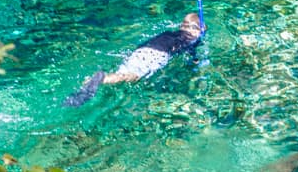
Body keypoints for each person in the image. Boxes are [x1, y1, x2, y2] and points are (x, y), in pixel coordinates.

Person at [63, 12, 206, 107]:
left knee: (126, 70)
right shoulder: (190, 39)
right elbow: (194, 59)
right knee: (132, 76)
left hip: (142, 50)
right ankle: (103, 79)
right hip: (157, 56)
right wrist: (196, 62)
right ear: (195, 29)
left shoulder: (170, 32)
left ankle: (88, 83)